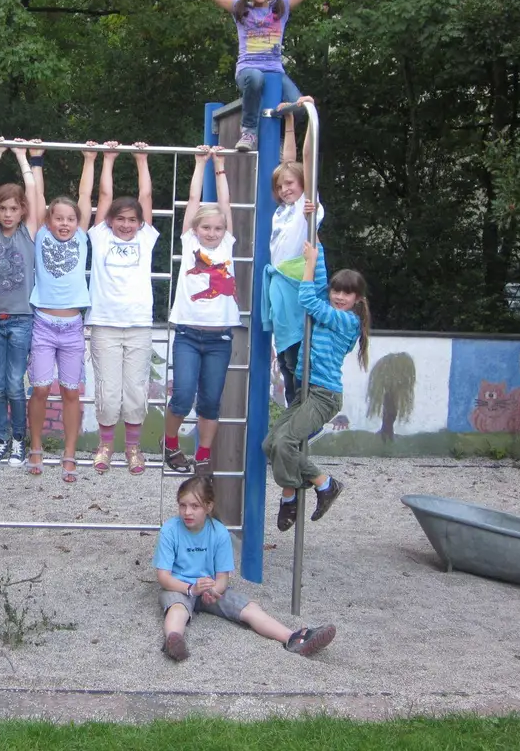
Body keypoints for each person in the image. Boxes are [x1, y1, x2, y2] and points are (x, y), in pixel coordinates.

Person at [161, 0, 356, 152]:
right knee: (255, 78)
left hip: (276, 71)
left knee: (300, 109)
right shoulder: (239, 8)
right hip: (248, 70)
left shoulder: (282, 6)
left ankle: (277, 138)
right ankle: (249, 131)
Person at [154, 476, 338, 662]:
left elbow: (222, 578)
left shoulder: (219, 532)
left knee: (248, 607)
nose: (187, 512)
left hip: (210, 588)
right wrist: (190, 589)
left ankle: (292, 638)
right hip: (179, 586)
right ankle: (173, 640)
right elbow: (163, 577)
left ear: (209, 507)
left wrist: (213, 591)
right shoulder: (170, 530)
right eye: (183, 505)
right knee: (177, 609)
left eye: (195, 506)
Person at [262, 240, 371, 531]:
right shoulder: (330, 307)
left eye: (346, 293)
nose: (339, 297)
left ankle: (318, 486)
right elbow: (320, 278)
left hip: (324, 395)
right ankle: (302, 490)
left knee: (285, 443)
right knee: (270, 444)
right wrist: (316, 241)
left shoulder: (346, 321)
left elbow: (308, 299)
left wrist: (308, 265)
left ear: (357, 299)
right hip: (306, 392)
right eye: (336, 291)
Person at [162, 147, 238, 474]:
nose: (212, 233)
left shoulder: (227, 245)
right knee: (182, 396)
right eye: (206, 228)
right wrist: (200, 165)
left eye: (217, 229)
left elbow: (225, 204)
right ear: (196, 229)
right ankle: (170, 444)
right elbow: (194, 200)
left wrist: (220, 167)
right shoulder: (190, 242)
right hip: (188, 335)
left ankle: (203, 453)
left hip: (220, 337)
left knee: (209, 401)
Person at [85, 146, 157, 476]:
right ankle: (105, 446)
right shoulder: (100, 237)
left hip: (139, 324)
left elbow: (146, 195)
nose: (126, 225)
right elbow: (104, 195)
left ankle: (133, 448)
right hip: (105, 323)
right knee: (109, 391)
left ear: (140, 223)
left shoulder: (145, 238)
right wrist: (108, 159)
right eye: (120, 219)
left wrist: (142, 161)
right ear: (110, 220)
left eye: (132, 220)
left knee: (135, 392)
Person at [27, 146, 97, 482]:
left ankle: (69, 452)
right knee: (40, 389)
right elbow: (37, 196)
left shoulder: (82, 236)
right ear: (48, 220)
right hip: (43, 323)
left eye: (70, 218)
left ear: (77, 222)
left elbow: (85, 195)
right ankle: (36, 447)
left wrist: (90, 159)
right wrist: (36, 160)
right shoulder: (40, 234)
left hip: (72, 326)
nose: (65, 223)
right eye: (59, 218)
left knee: (71, 392)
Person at [0, 140, 40, 469]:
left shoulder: (28, 233)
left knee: (16, 383)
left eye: (13, 209)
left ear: (22, 211)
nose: (7, 214)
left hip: (21, 319)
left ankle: (18, 440)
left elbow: (32, 190)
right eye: (2, 209)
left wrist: (20, 156)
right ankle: (0, 439)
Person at [269, 112, 322, 406]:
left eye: (290, 184)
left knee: (296, 359)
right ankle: (294, 413)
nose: (284, 189)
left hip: (296, 283)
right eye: (280, 187)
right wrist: (289, 121)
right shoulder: (282, 211)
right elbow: (287, 164)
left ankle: (305, 414)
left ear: (303, 184)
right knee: (286, 361)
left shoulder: (306, 205)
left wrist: (310, 117)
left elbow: (305, 159)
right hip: (280, 287)